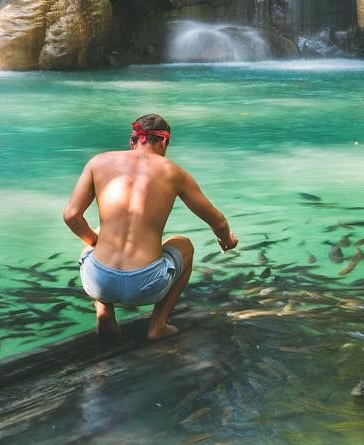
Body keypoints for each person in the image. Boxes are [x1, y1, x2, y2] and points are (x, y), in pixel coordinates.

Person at [63, 113, 238, 340]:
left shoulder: (98, 162)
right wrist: (226, 241)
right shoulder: (174, 172)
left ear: (132, 140)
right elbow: (218, 221)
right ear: (164, 141)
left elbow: (71, 216)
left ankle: (104, 312)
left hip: (98, 282)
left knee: (95, 236)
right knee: (184, 245)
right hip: (146, 285)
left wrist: (95, 242)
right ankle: (158, 326)